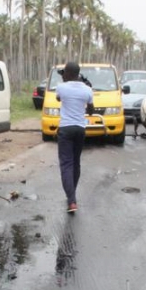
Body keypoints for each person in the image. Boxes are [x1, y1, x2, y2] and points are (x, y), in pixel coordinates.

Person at [55, 61, 94, 213]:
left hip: (65, 129)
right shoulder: (87, 89)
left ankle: (71, 201)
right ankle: (72, 194)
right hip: (80, 129)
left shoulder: (61, 87)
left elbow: (59, 98)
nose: (63, 74)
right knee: (76, 163)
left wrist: (67, 81)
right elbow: (91, 111)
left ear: (69, 73)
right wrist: (84, 86)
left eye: (64, 72)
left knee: (66, 164)